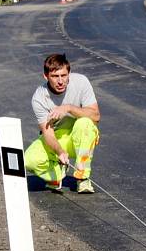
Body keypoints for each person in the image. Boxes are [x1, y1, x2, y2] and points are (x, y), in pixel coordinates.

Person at [24, 53, 100, 193]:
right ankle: (57, 175)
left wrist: (68, 108)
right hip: (59, 138)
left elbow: (95, 116)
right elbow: (47, 132)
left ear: (69, 73)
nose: (60, 81)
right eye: (55, 76)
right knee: (29, 160)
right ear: (46, 76)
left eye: (64, 75)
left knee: (85, 123)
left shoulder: (81, 82)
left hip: (81, 136)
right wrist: (59, 151)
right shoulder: (39, 97)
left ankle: (83, 178)